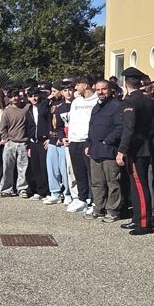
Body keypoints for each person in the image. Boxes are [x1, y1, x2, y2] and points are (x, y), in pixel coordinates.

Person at [119, 68, 154, 234]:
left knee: (140, 186)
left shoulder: (131, 101)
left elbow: (129, 128)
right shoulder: (149, 100)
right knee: (136, 185)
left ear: (125, 83)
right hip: (146, 145)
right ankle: (137, 218)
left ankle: (143, 223)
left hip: (137, 148)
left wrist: (122, 150)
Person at [86, 78, 126, 223]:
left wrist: (107, 141)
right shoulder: (96, 107)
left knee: (113, 182)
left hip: (109, 151)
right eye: (98, 89)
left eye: (103, 89)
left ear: (110, 90)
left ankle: (113, 211)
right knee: (97, 183)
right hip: (95, 151)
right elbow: (91, 127)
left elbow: (120, 128)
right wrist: (88, 144)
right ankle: (98, 209)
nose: (100, 92)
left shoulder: (117, 106)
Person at [66, 78, 96, 214]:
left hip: (87, 140)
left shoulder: (96, 100)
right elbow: (72, 120)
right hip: (74, 140)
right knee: (78, 171)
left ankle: (95, 200)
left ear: (86, 85)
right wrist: (70, 138)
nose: (76, 87)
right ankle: (81, 199)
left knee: (92, 173)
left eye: (78, 84)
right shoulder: (76, 101)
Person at [0, 91, 29, 196]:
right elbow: (3, 127)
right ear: (9, 98)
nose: (15, 98)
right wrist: (6, 139)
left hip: (23, 142)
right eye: (12, 97)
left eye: (16, 96)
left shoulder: (26, 108)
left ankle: (22, 188)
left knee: (23, 167)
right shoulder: (7, 111)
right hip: (10, 142)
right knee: (7, 167)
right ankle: (6, 189)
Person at [45, 83, 71, 205]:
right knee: (52, 168)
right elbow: (43, 116)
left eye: (55, 91)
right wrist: (47, 100)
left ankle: (67, 193)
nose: (53, 93)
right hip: (52, 138)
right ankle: (55, 192)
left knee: (64, 169)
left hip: (63, 139)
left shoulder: (67, 105)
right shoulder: (51, 104)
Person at [24, 86, 51, 199]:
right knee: (35, 167)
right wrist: (29, 146)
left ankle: (49, 190)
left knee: (45, 167)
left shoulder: (44, 107)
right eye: (31, 96)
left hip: (44, 140)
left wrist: (49, 138)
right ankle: (40, 191)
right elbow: (29, 127)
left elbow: (49, 122)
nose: (34, 98)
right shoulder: (29, 110)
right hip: (33, 141)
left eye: (35, 95)